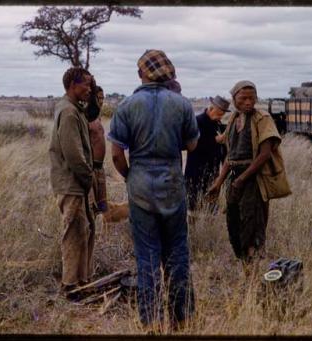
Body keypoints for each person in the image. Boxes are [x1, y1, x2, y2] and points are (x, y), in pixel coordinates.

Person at [108, 49, 199, 332]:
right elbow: (192, 145)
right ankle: (182, 319)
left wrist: (130, 176)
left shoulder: (126, 105)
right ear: (168, 73)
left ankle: (151, 323)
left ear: (140, 74)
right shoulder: (182, 104)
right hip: (172, 185)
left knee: (146, 258)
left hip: (140, 188)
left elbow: (116, 155)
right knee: (177, 255)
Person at [207, 80, 291, 263]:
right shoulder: (234, 119)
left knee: (252, 226)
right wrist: (219, 182)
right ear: (234, 98)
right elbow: (231, 155)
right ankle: (245, 265)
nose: (247, 102)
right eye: (242, 98)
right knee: (234, 223)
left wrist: (242, 179)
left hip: (254, 181)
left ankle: (252, 273)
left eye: (251, 98)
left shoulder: (262, 118)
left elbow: (264, 154)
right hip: (235, 180)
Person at [49, 66, 96, 297]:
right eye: (85, 84)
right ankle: (70, 285)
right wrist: (89, 179)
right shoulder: (68, 112)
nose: (89, 88)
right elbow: (74, 154)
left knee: (81, 230)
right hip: (72, 182)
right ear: (72, 85)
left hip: (74, 182)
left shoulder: (72, 108)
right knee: (73, 232)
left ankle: (79, 282)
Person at [184, 95, 230, 211]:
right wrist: (216, 140)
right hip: (196, 171)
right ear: (211, 109)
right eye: (219, 114)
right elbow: (193, 145)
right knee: (193, 206)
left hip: (213, 171)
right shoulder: (197, 121)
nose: (220, 117)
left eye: (222, 115)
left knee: (211, 204)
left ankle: (209, 224)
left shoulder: (217, 124)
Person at [88, 86, 108, 213]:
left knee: (99, 209)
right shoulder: (86, 117)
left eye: (102, 98)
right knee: (89, 207)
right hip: (90, 168)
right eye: (98, 98)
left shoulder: (97, 117)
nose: (101, 101)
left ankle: (94, 233)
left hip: (99, 169)